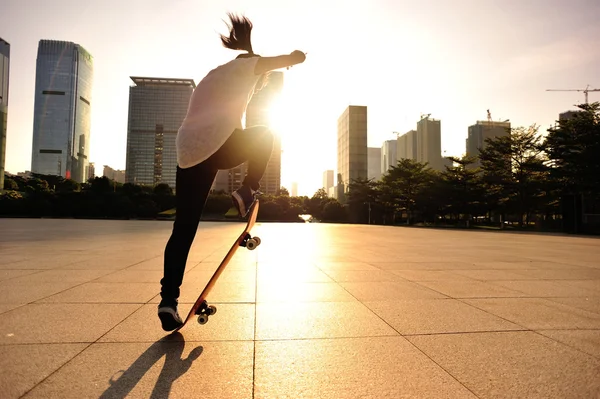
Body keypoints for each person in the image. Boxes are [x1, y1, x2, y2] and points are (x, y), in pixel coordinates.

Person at [158, 13, 306, 331]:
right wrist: (295, 58)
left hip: (188, 151)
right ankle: (246, 189)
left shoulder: (216, 73)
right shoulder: (250, 65)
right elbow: (292, 58)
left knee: (183, 228)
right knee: (266, 134)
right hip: (216, 143)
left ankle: (168, 301)